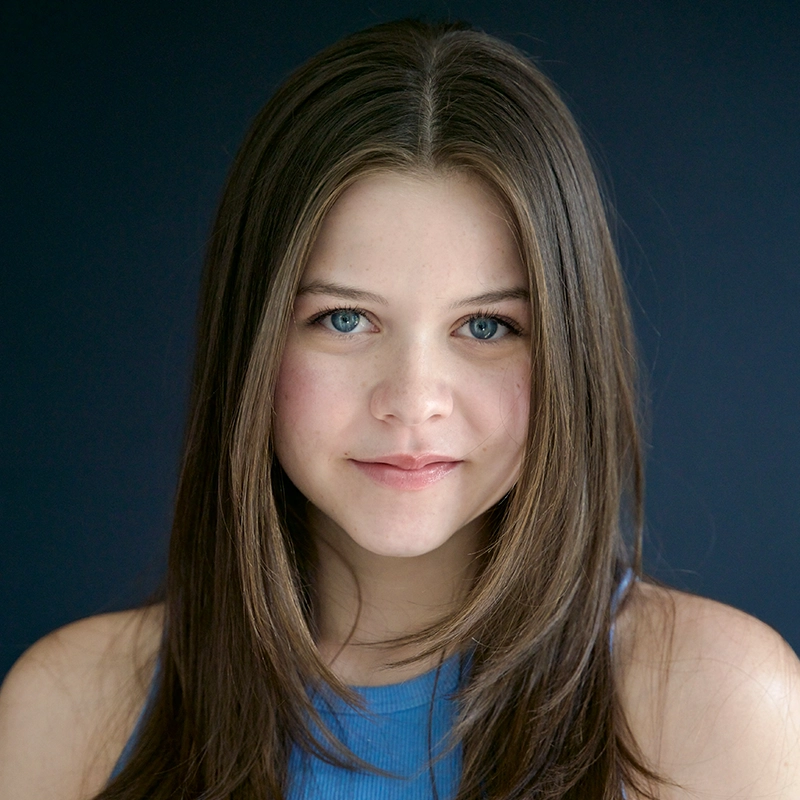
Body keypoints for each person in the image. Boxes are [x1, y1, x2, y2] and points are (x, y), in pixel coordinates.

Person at [1, 18, 798, 800]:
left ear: (570, 351)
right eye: (345, 319)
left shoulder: (720, 705)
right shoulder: (70, 710)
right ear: (251, 340)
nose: (413, 401)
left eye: (486, 326)